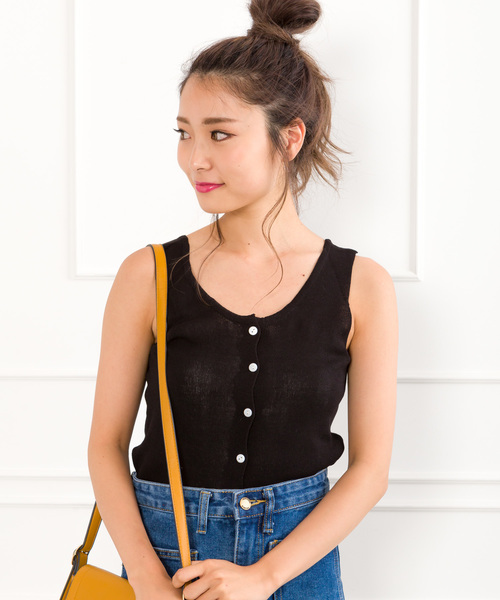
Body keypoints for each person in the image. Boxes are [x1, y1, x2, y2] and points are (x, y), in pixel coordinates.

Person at [87, 0, 398, 598]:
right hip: (164, 565)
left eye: (220, 134)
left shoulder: (363, 285)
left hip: (299, 569)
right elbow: (105, 447)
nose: (195, 158)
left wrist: (264, 577)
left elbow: (370, 471)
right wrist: (147, 579)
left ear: (289, 138)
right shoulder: (148, 275)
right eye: (184, 134)